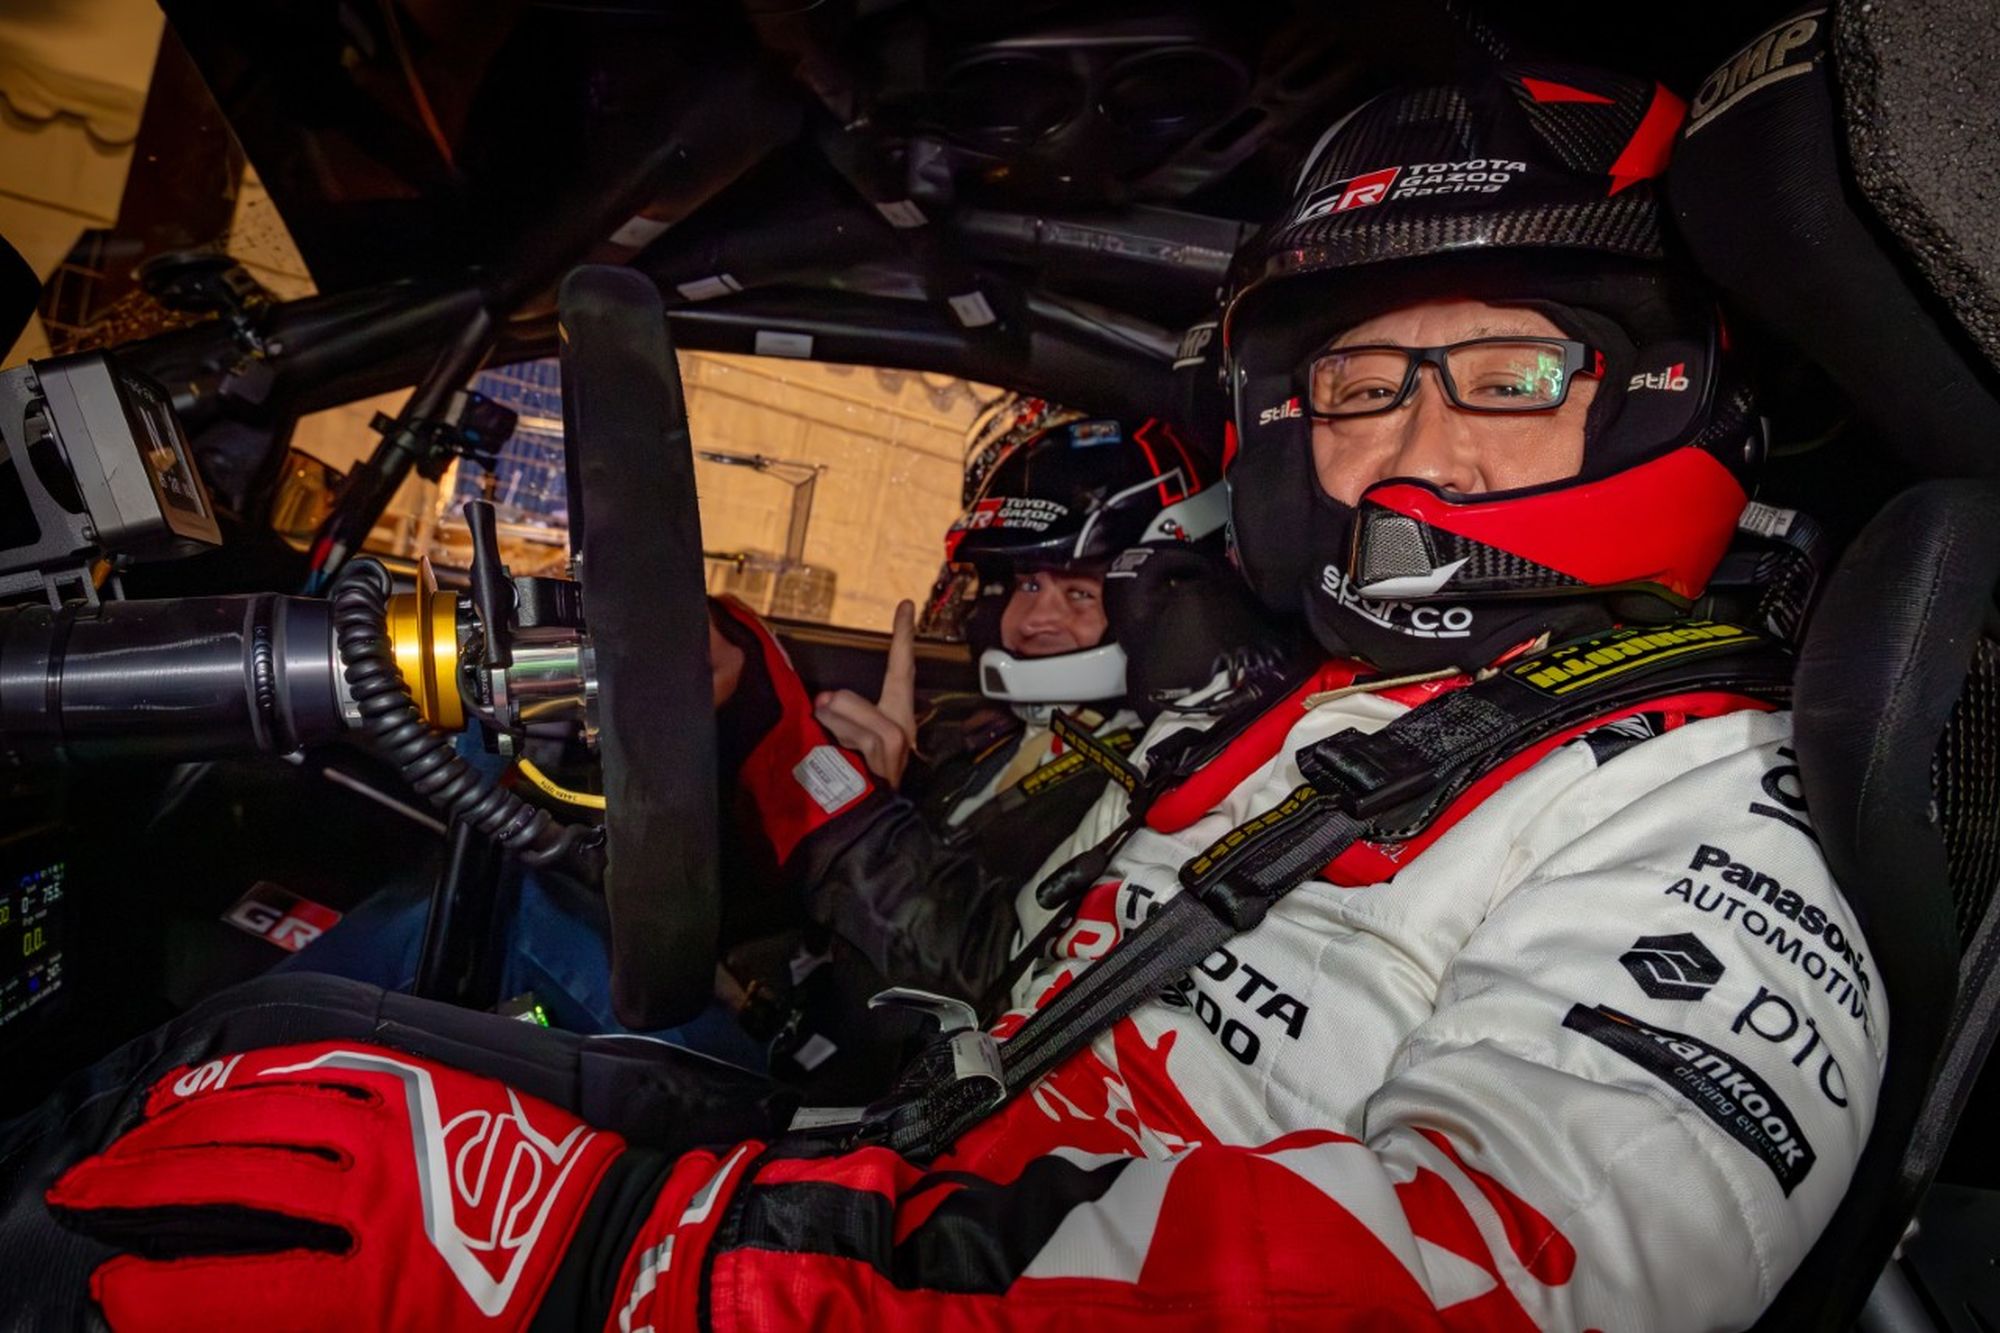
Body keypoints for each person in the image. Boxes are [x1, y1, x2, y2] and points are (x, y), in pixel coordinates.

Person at [2, 63, 1882, 1330]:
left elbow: (1471, 1278)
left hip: (880, 1255)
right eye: (1360, 386)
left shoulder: (1721, 803)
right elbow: (998, 964)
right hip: (884, 1173)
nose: (1411, 447)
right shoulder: (1329, 721)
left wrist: (653, 1265)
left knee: (170, 1179)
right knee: (243, 1071)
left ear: (1652, 393)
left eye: (1507, 373)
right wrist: (770, 731)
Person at [813, 400, 1277, 890]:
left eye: (1080, 593)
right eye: (1028, 585)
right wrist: (893, 780)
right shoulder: (978, 731)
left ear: (1165, 604)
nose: (1035, 619)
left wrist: (863, 818)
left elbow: (989, 937)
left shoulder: (1144, 784)